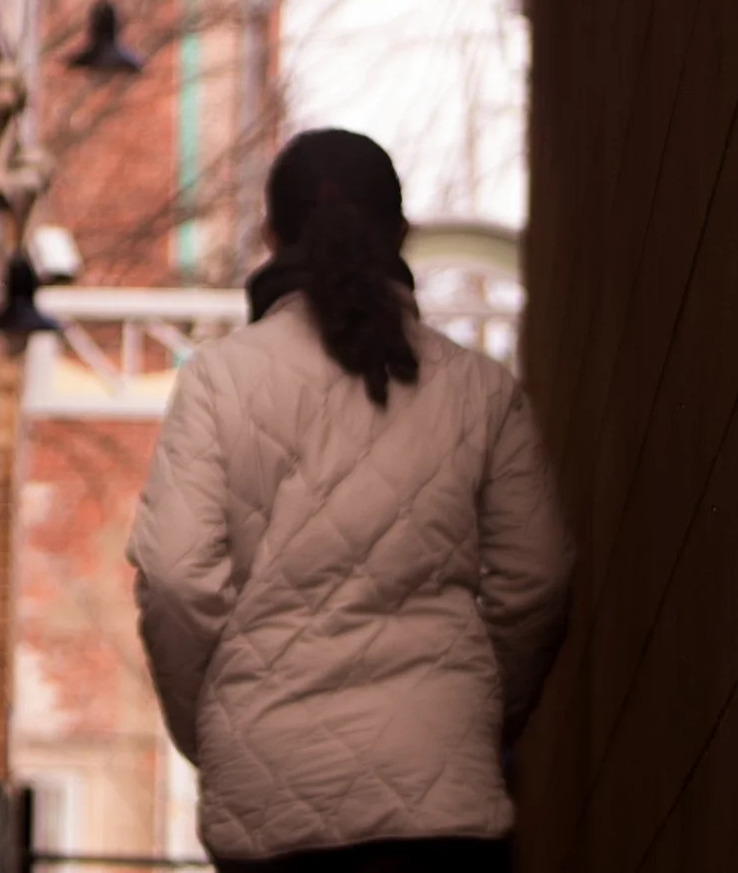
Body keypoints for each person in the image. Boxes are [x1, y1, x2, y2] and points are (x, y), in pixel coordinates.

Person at [127, 130, 572, 873]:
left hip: (272, 802)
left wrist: (215, 728)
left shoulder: (218, 380)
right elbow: (541, 578)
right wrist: (475, 714)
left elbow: (173, 578)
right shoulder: (480, 390)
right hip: (444, 803)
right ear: (401, 231)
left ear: (271, 233)